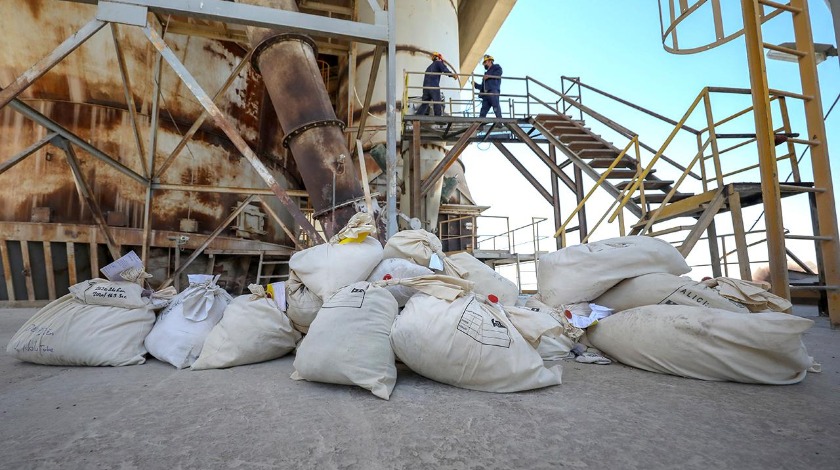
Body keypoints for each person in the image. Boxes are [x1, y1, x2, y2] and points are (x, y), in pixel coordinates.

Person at [415, 52, 456, 116]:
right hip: (433, 86)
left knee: (425, 103)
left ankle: (417, 116)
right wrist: (452, 75)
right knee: (437, 101)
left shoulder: (428, 68)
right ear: (439, 58)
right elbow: (445, 70)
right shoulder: (438, 63)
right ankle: (438, 117)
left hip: (425, 88)